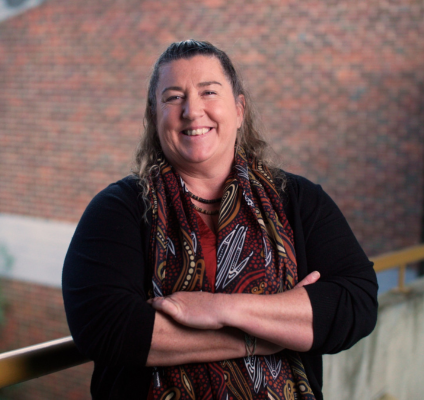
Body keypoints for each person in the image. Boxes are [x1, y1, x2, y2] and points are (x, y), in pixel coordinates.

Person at [62, 40, 378, 400]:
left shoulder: (299, 201)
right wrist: (267, 333)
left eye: (208, 92)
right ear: (154, 116)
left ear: (239, 109)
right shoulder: (117, 209)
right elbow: (105, 329)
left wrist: (217, 309)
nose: (192, 111)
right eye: (172, 97)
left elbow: (357, 302)